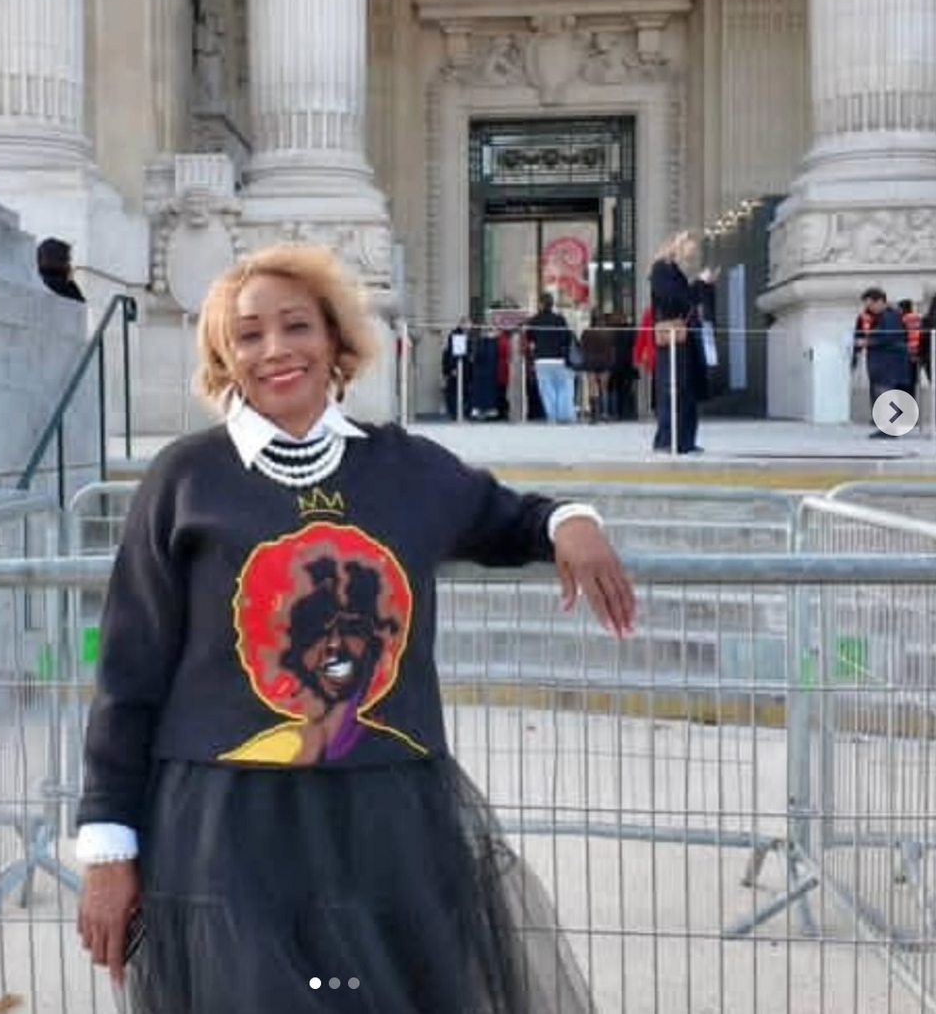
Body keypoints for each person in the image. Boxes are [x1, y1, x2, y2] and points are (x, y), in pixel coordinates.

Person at [76, 243, 635, 1014]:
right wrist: (108, 843)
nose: (275, 349)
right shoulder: (185, 479)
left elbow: (511, 518)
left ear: (336, 339)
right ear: (225, 358)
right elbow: (128, 671)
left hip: (385, 824)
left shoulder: (407, 469)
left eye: (296, 325)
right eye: (248, 335)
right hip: (225, 832)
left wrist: (570, 522)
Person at [648, 231, 708, 453]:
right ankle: (668, 440)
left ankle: (684, 440)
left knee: (685, 389)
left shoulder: (673, 270)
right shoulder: (661, 269)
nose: (691, 252)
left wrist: (702, 285)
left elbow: (687, 299)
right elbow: (674, 299)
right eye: (688, 246)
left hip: (684, 337)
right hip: (673, 337)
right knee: (674, 387)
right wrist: (699, 284)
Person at [858, 287, 910, 438]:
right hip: (884, 363)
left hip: (887, 363)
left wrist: (867, 342)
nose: (870, 309)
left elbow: (888, 337)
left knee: (886, 395)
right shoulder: (885, 316)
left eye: (871, 305)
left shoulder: (889, 316)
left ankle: (890, 429)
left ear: (880, 301)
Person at [524, 293, 576, 423]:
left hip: (541, 360)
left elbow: (529, 337)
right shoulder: (560, 319)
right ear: (552, 304)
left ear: (541, 304)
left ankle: (552, 416)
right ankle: (564, 415)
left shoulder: (534, 320)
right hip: (559, 358)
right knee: (563, 387)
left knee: (547, 390)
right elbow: (567, 337)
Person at [580, 311, 616, 423]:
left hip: (591, 361)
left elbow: (582, 346)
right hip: (605, 362)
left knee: (592, 388)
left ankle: (594, 415)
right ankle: (605, 413)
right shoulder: (609, 332)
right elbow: (612, 347)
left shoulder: (587, 332)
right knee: (604, 388)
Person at [37, 237, 86, 302]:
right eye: (65, 259)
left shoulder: (62, 281)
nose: (69, 264)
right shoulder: (56, 284)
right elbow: (79, 303)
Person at [900, 299, 922, 398]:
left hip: (905, 355)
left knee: (904, 384)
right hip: (916, 354)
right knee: (913, 383)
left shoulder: (902, 319)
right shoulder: (918, 319)